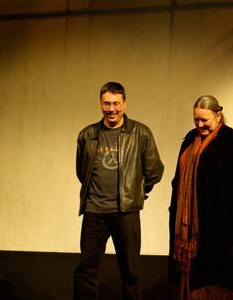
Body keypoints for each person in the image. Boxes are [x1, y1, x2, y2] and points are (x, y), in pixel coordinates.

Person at [74, 81, 164, 300]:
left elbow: (155, 171)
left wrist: (136, 193)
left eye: (116, 103)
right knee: (86, 269)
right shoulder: (88, 135)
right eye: (106, 103)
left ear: (124, 104)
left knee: (131, 272)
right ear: (100, 104)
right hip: (94, 211)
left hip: (126, 212)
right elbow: (82, 172)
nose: (111, 108)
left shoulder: (140, 133)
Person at [169, 95, 233, 299]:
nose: (200, 124)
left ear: (218, 115)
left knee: (221, 273)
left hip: (223, 224)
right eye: (196, 119)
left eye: (204, 120)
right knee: (197, 272)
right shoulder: (189, 139)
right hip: (193, 227)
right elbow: (178, 178)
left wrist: (226, 210)